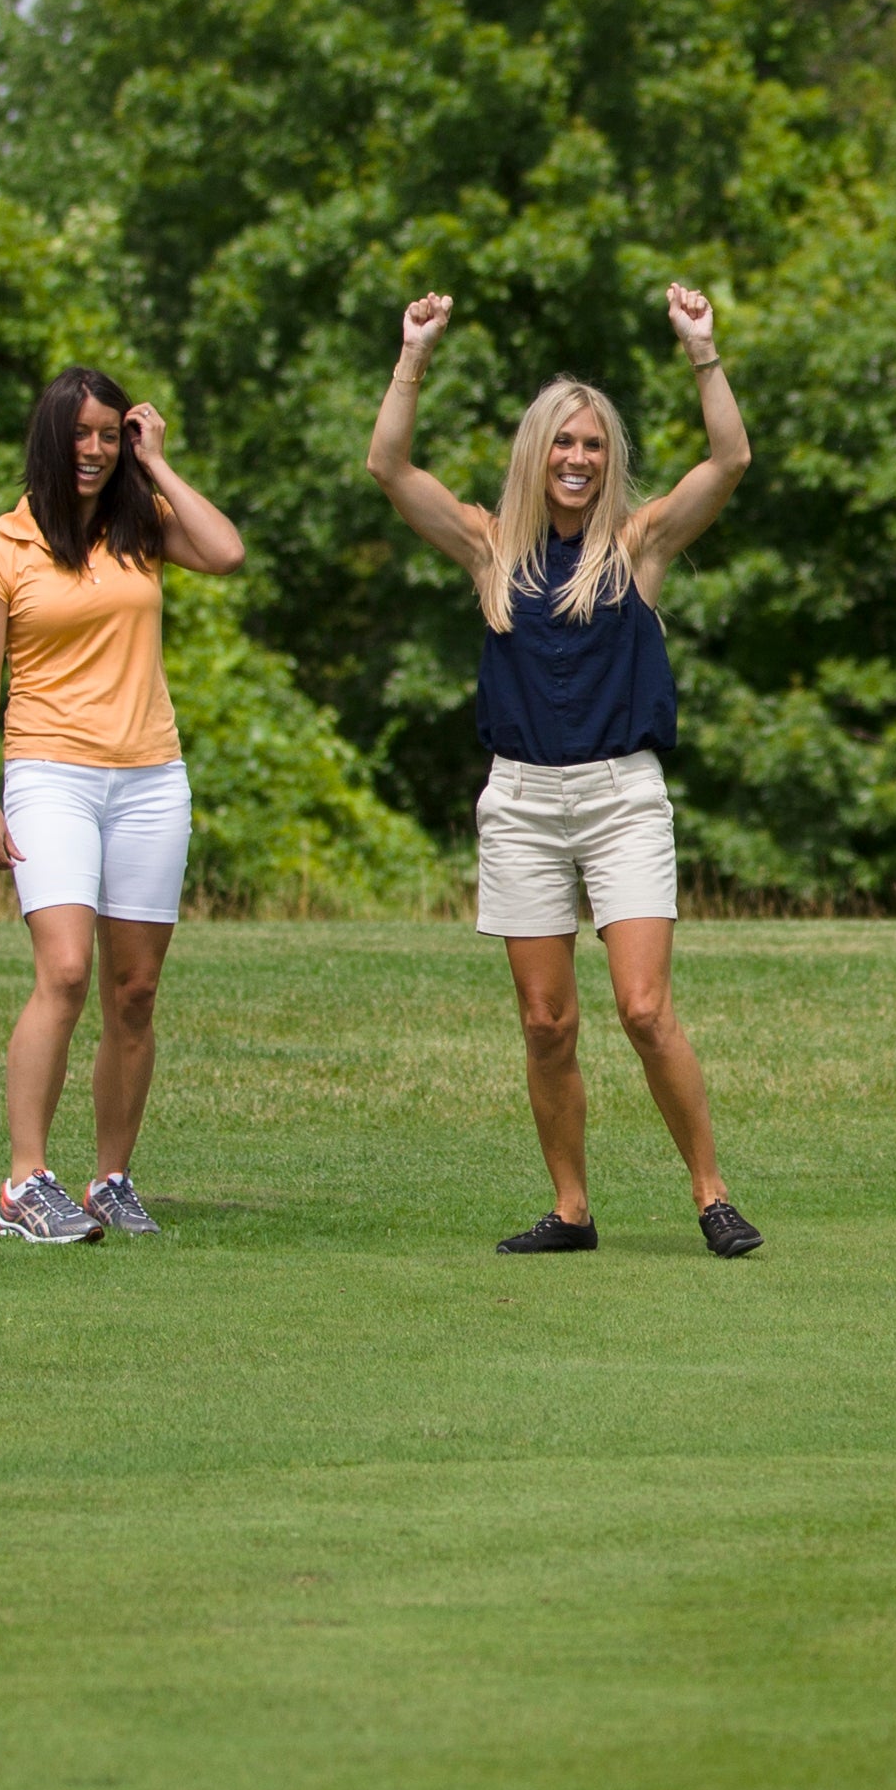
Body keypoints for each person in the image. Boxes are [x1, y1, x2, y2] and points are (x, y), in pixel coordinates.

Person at [364, 281, 765, 1260]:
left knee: (641, 1007)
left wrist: (702, 350)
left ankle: (712, 1194)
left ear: (608, 460)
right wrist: (413, 353)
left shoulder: (637, 545)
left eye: (593, 445)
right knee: (546, 1022)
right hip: (522, 803)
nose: (578, 459)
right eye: (563, 442)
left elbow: (730, 458)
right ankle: (572, 1212)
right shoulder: (489, 546)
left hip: (622, 798)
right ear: (535, 453)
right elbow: (387, 464)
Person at [0, 366, 248, 1246]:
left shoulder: (142, 528)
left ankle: (111, 1178)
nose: (94, 450)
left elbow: (227, 552)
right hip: (50, 776)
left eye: (109, 433)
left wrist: (155, 463)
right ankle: (24, 1182)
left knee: (134, 990)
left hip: (152, 777)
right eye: (81, 433)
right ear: (50, 437)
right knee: (67, 973)